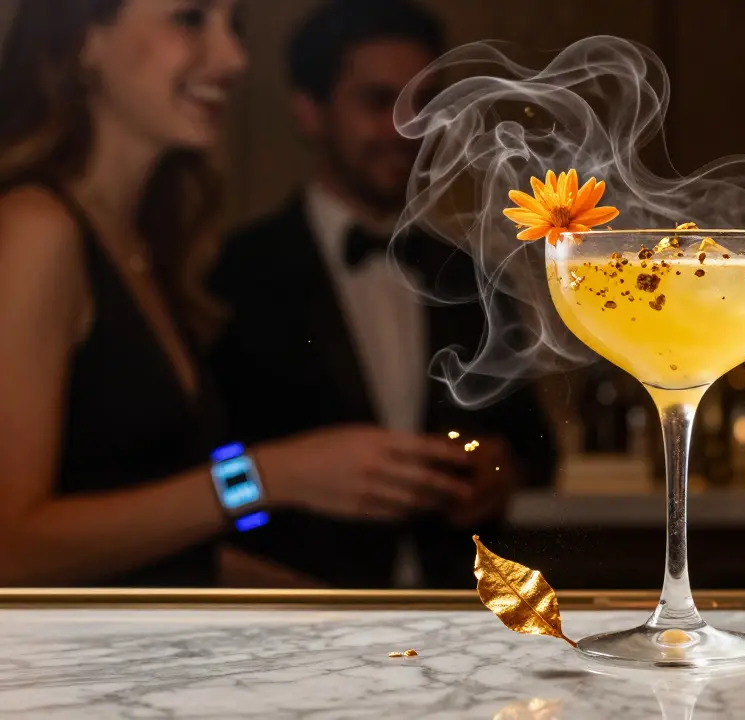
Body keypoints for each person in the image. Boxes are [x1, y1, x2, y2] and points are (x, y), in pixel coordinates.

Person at [0, 0, 476, 588]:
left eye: (235, 28)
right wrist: (271, 475)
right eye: (191, 20)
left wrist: (338, 614)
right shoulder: (37, 228)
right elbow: (11, 546)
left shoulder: (146, 246)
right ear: (83, 42)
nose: (233, 58)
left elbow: (166, 552)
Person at [209, 0, 556, 589]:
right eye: (378, 103)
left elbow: (536, 451)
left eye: (425, 106)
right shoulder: (233, 274)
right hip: (293, 617)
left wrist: (499, 471)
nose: (408, 130)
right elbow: (202, 475)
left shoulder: (472, 276)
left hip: (458, 613)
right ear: (309, 112)